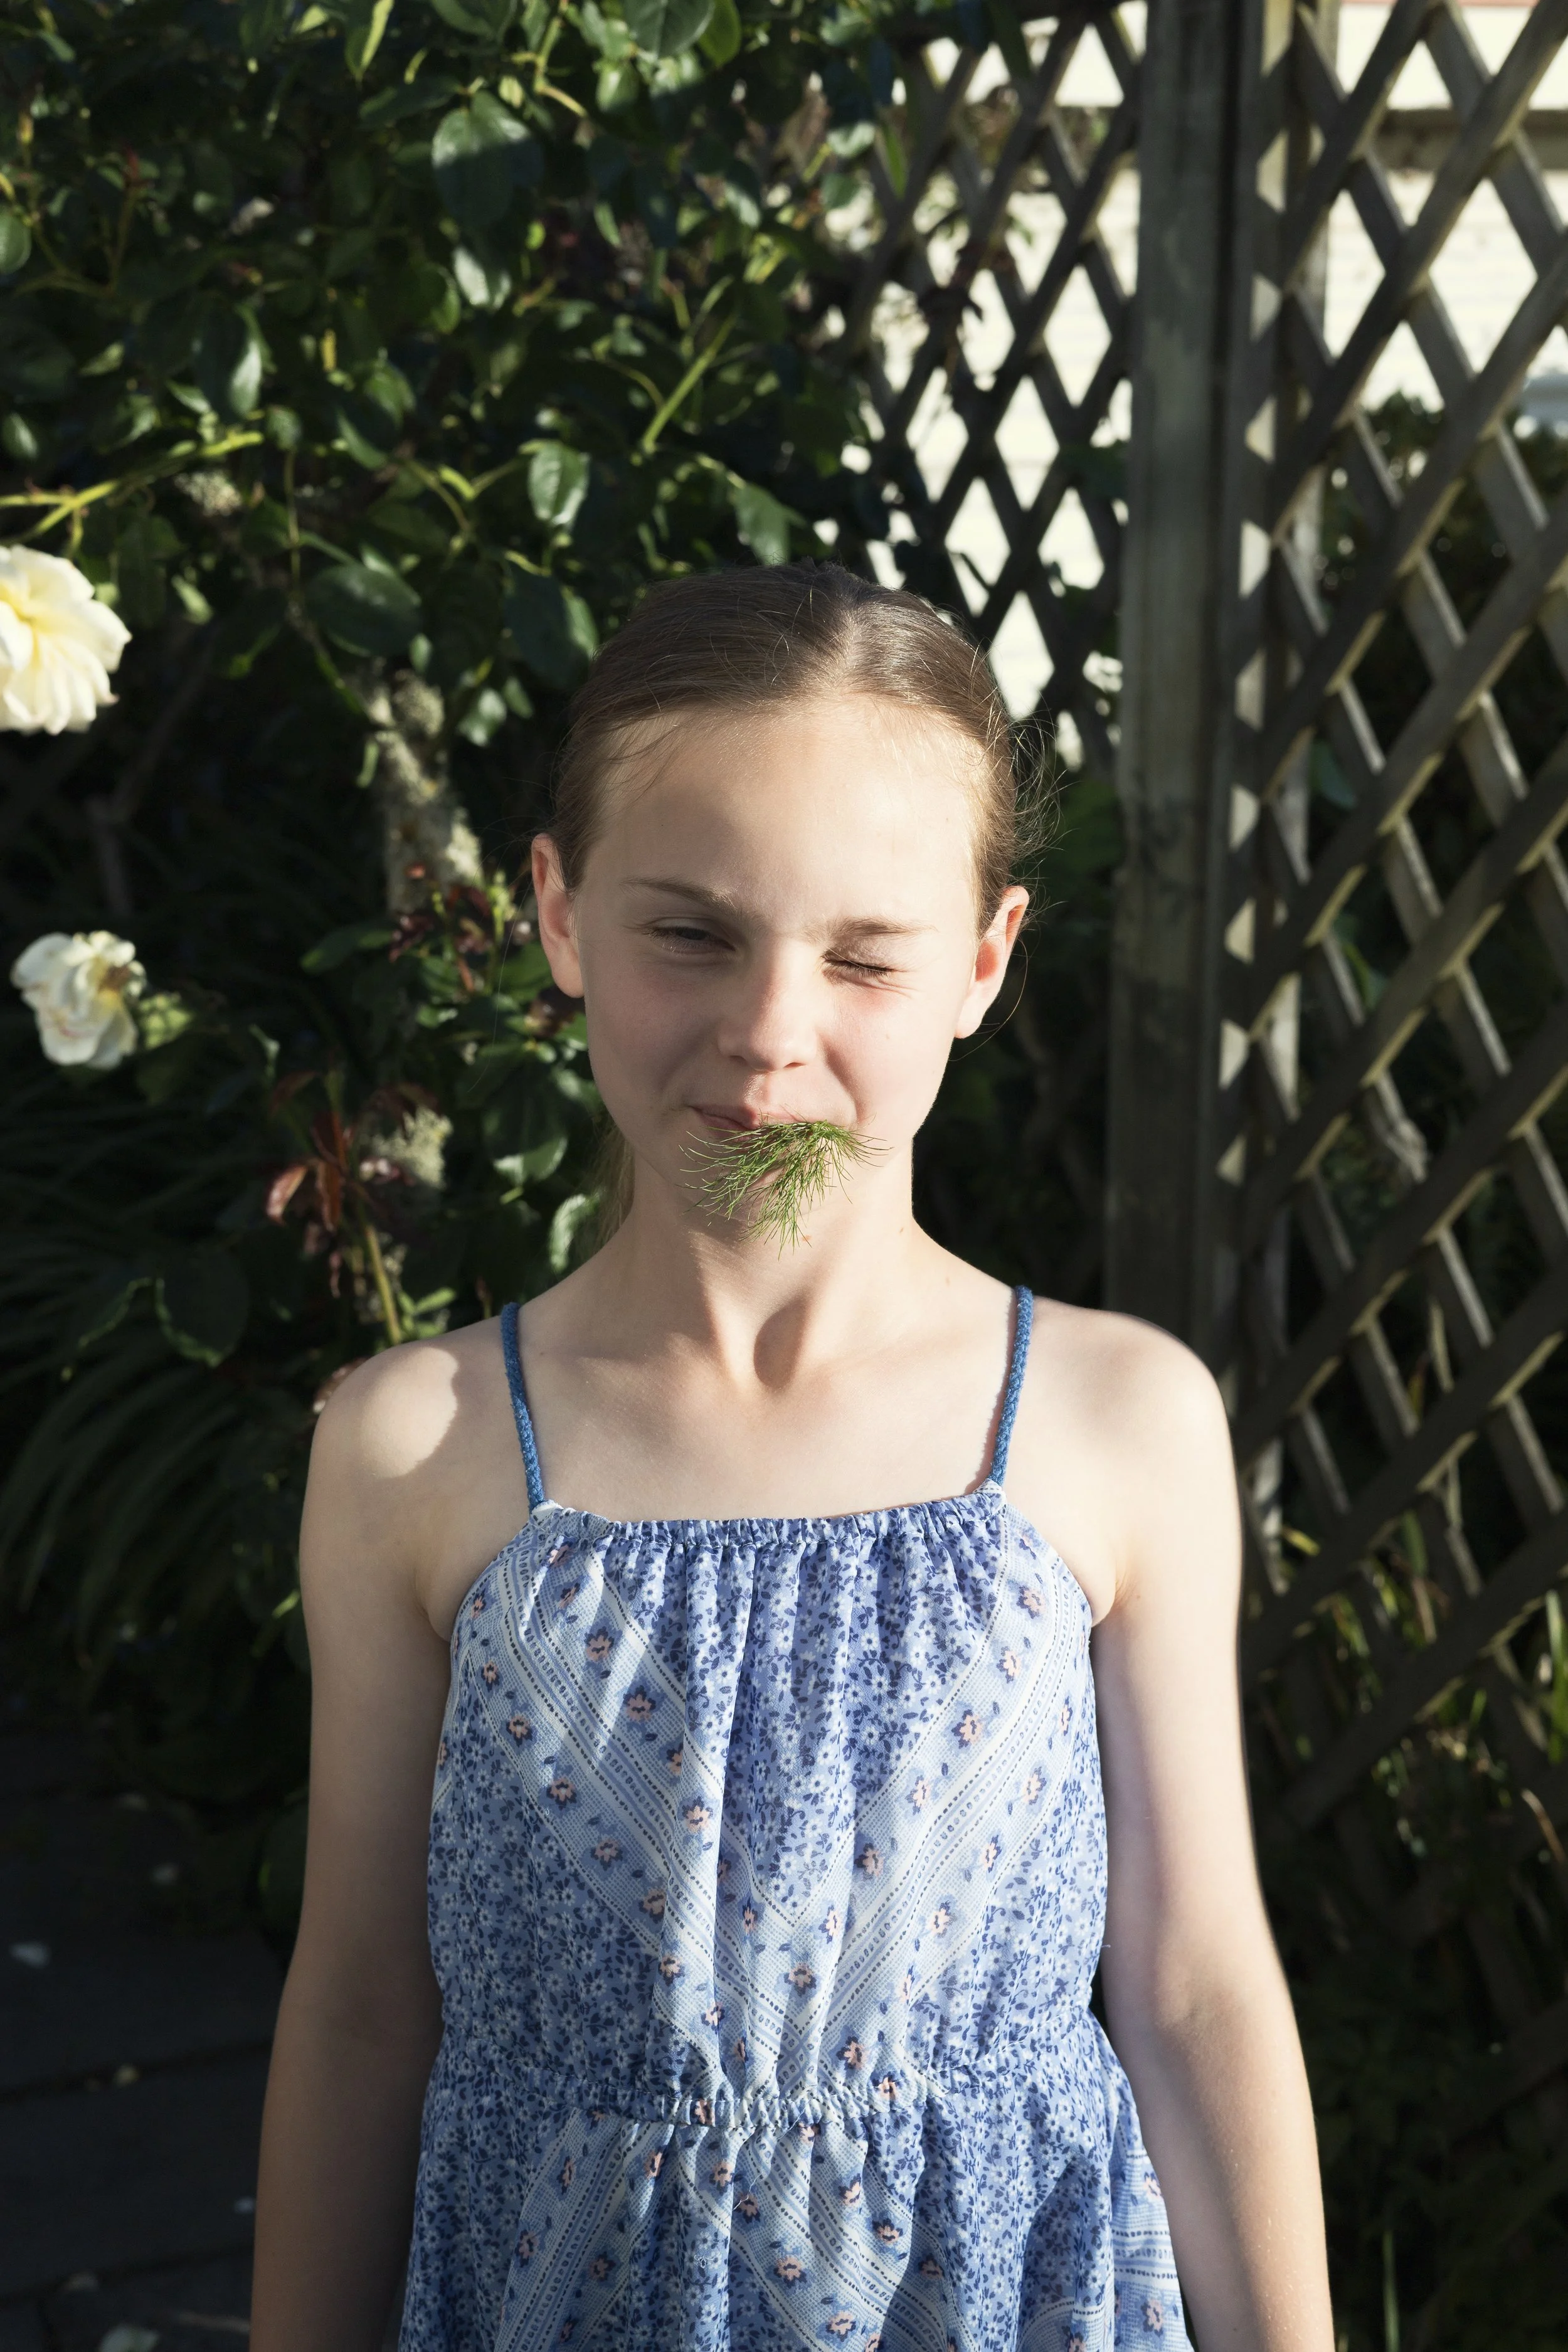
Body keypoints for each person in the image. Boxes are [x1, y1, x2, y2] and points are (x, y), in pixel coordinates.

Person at [251, 563, 1335, 2352]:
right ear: (557, 913)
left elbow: (1195, 1981)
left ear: (983, 960)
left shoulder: (1110, 1419)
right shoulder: (411, 1450)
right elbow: (366, 2001)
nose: (769, 1030)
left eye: (862, 953)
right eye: (689, 931)